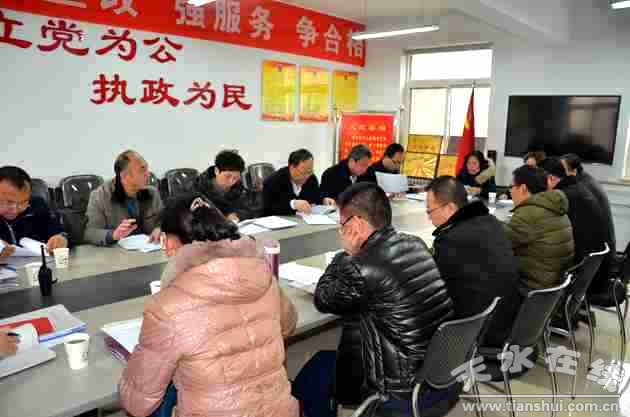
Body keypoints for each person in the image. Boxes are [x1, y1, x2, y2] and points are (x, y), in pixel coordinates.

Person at [119, 193, 299, 417]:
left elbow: (137, 403)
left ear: (170, 242)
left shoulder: (168, 307)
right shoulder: (263, 274)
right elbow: (289, 325)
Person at [306, 183, 455, 415]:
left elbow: (323, 298)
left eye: (342, 225)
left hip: (400, 389)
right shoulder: (416, 243)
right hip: (440, 373)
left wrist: (346, 254)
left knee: (313, 375)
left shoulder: (361, 266)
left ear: (356, 225)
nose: (340, 232)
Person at [426, 176, 520, 348]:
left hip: (475, 334)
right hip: (507, 323)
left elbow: (434, 292)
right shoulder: (492, 223)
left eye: (429, 211)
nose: (428, 218)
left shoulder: (450, 240)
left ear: (450, 208)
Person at [541, 157, 610, 292]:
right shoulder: (579, 188)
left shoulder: (562, 196)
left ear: (551, 178)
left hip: (579, 275)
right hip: (592, 272)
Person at [505, 165, 574, 290]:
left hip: (532, 288)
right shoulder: (556, 207)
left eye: (511, 187)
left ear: (523, 188)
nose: (510, 191)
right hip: (554, 287)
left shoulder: (528, 214)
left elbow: (500, 244)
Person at [85, 151, 162, 246]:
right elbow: (89, 233)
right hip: (116, 251)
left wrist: (160, 228)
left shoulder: (152, 192)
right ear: (125, 176)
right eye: (142, 170)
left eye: (147, 168)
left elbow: (162, 220)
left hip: (149, 248)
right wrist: (113, 235)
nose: (148, 174)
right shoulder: (100, 196)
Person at [0, 166, 67, 260]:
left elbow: (57, 230)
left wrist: (61, 238)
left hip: (38, 265)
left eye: (23, 202)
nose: (15, 210)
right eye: (9, 202)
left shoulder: (37, 205)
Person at [262, 149, 335, 216]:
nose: (307, 176)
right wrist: (293, 204)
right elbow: (269, 208)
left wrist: (323, 200)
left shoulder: (311, 178)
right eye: (303, 173)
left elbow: (315, 195)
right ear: (292, 167)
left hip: (304, 221)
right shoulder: (274, 181)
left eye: (310, 172)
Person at [194, 150, 251, 223]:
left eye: (235, 178)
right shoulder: (198, 188)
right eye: (227, 176)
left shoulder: (239, 188)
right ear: (216, 171)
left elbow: (248, 210)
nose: (231, 181)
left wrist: (237, 215)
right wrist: (224, 217)